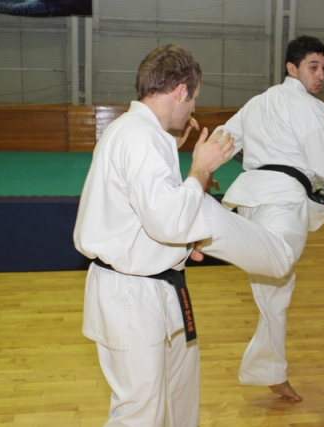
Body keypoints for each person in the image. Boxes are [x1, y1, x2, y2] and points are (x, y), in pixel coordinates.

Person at [73, 44, 300, 427]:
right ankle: (278, 253)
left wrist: (178, 161)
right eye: (193, 98)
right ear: (180, 91)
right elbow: (168, 221)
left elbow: (148, 211)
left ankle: (277, 254)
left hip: (159, 285)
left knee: (180, 396)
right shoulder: (140, 137)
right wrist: (200, 169)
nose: (193, 107)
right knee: (140, 413)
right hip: (132, 294)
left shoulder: (142, 132)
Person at [212, 35, 324, 402]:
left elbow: (226, 137)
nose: (320, 74)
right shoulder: (311, 107)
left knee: (275, 290)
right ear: (292, 68)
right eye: (313, 67)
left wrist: (205, 167)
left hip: (249, 197)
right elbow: (323, 160)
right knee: (281, 259)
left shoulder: (257, 102)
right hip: (283, 197)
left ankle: (270, 372)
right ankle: (209, 232)